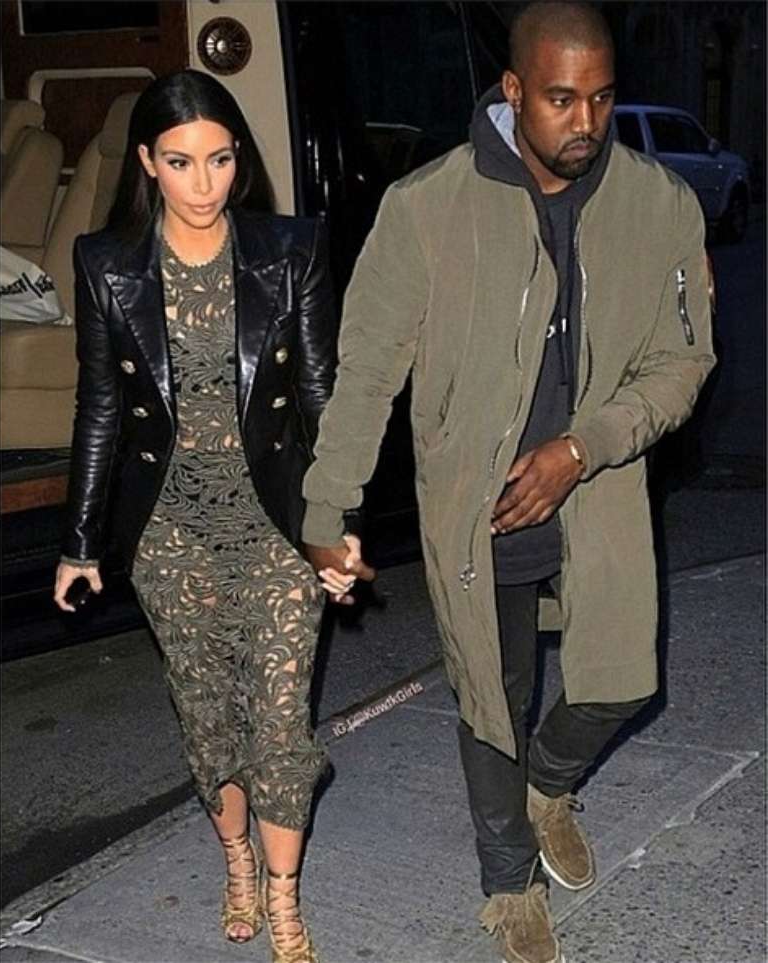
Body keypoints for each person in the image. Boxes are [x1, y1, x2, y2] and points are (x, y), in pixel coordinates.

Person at [300, 4, 716, 962]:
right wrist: (329, 503)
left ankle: (550, 785)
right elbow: (367, 370)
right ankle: (508, 883)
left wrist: (583, 447)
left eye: (602, 98)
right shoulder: (427, 207)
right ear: (515, 91)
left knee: (624, 678)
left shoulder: (659, 204)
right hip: (478, 498)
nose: (587, 122)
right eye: (562, 99)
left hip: (597, 483)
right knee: (494, 694)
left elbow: (685, 360)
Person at [53, 69, 365, 963]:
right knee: (209, 719)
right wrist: (80, 542)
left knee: (281, 721)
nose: (204, 183)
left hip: (276, 527)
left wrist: (336, 524)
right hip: (171, 535)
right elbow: (100, 408)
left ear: (240, 159)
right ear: (148, 162)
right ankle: (235, 859)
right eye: (182, 161)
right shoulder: (108, 264)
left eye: (221, 160)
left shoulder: (290, 250)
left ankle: (285, 897)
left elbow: (321, 393)